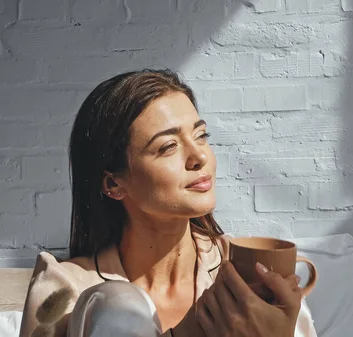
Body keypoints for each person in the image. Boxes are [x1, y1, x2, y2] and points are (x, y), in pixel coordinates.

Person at [19, 69, 317, 337]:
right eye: (168, 146)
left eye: (201, 136)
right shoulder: (65, 289)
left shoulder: (250, 273)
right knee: (117, 305)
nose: (199, 157)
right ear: (113, 183)